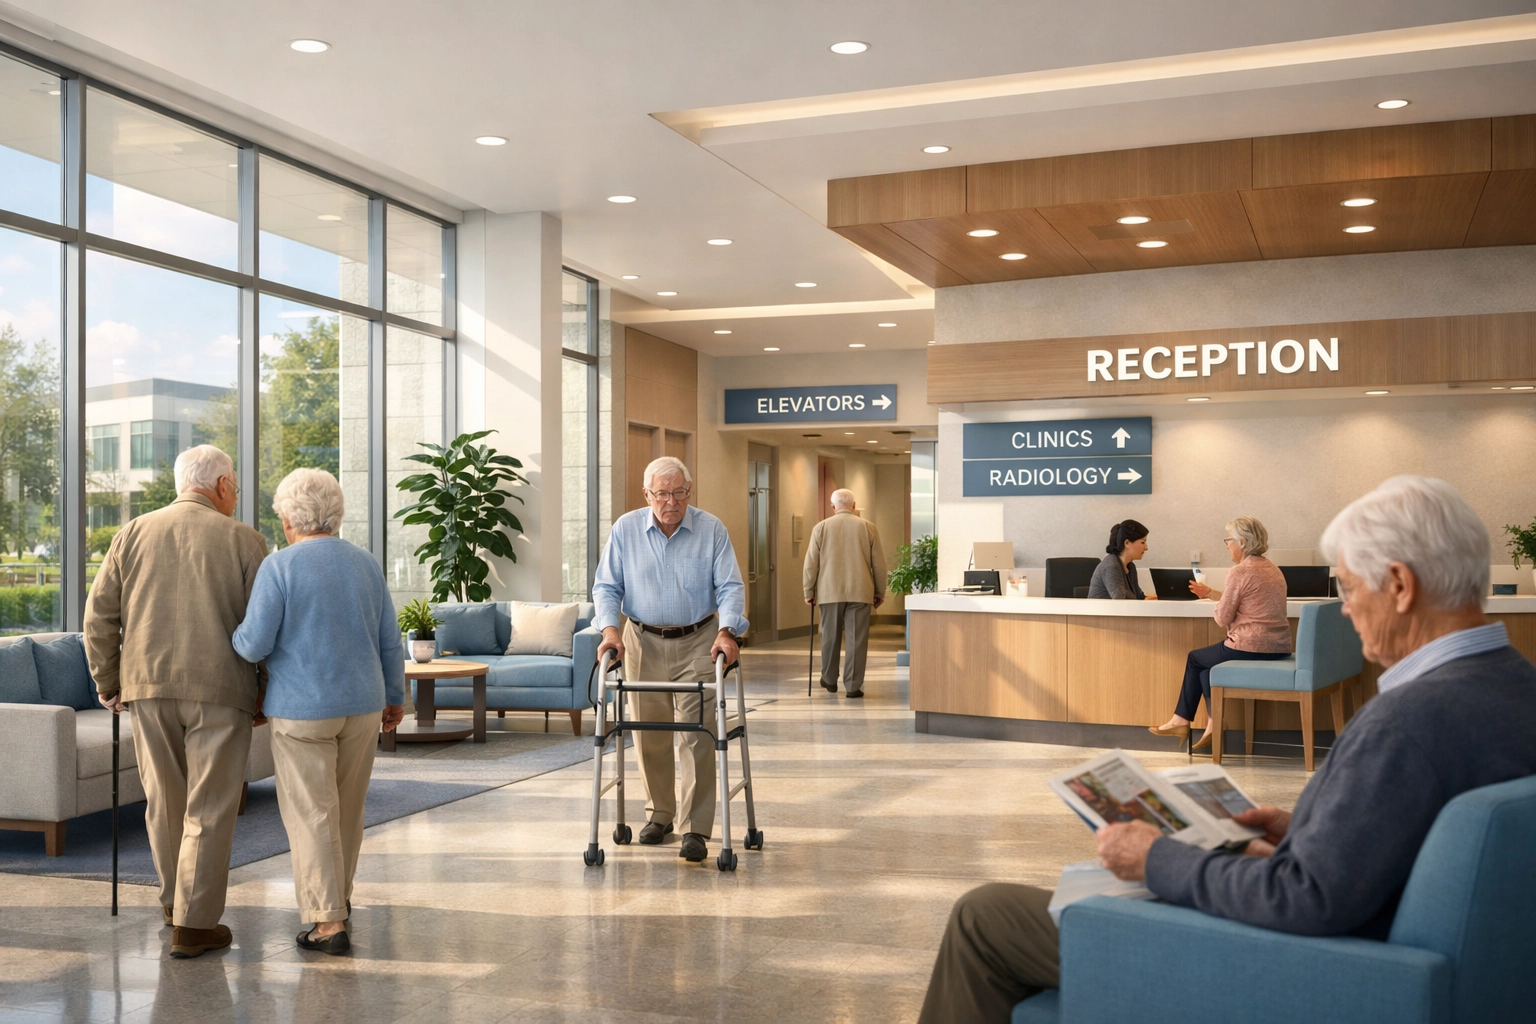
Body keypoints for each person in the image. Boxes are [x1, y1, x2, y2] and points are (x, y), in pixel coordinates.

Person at [916, 476, 1536, 1024]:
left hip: (1305, 963)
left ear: (1399, 585)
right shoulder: (1517, 686)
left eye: (1348, 589)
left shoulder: (1406, 723)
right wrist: (1304, 829)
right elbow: (1414, 840)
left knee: (986, 913)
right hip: (1396, 947)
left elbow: (1304, 900)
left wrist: (1157, 859)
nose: (1345, 609)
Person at [83, 445, 269, 959]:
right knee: (210, 807)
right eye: (236, 487)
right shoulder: (246, 540)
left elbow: (98, 616)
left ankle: (172, 903)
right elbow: (267, 626)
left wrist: (107, 678)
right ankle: (195, 923)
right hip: (221, 689)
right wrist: (265, 689)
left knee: (165, 801)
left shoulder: (132, 533)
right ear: (224, 485)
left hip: (146, 687)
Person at [231, 469, 405, 956]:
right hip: (365, 705)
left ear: (289, 518)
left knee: (312, 816)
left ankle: (327, 922)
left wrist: (232, 635)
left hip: (303, 711)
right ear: (336, 513)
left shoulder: (280, 566)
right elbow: (389, 639)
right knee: (347, 812)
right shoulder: (365, 563)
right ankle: (339, 902)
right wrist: (396, 696)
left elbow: (254, 644)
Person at [593, 456, 748, 864]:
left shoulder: (711, 529)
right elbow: (606, 586)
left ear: (689, 492)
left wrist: (728, 631)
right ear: (647, 495)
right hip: (640, 639)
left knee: (697, 736)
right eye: (662, 493)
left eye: (678, 493)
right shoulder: (625, 529)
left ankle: (694, 828)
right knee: (648, 735)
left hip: (698, 640)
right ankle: (659, 813)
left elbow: (730, 586)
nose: (671, 502)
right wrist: (610, 631)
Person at [1150, 516, 1291, 749]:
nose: (1227, 545)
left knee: (1195, 659)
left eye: (1229, 540)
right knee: (1208, 671)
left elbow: (1222, 618)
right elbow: (1248, 600)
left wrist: (1219, 603)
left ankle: (1181, 720)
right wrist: (1211, 593)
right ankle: (1211, 727)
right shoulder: (1273, 569)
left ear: (1243, 542)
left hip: (1250, 647)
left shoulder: (1239, 571)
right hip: (1278, 647)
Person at [802, 488, 887, 698]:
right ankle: (853, 686)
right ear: (854, 506)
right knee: (857, 640)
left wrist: (808, 590)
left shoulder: (820, 528)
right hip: (861, 591)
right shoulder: (868, 527)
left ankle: (829, 679)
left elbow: (811, 563)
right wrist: (879, 591)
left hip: (829, 591)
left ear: (833, 507)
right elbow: (879, 564)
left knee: (830, 636)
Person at [1086, 519, 1149, 599]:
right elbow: (1120, 602)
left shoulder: (1130, 566)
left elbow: (1139, 597)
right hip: (1105, 611)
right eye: (1143, 542)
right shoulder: (1112, 566)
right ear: (1127, 543)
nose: (1146, 548)